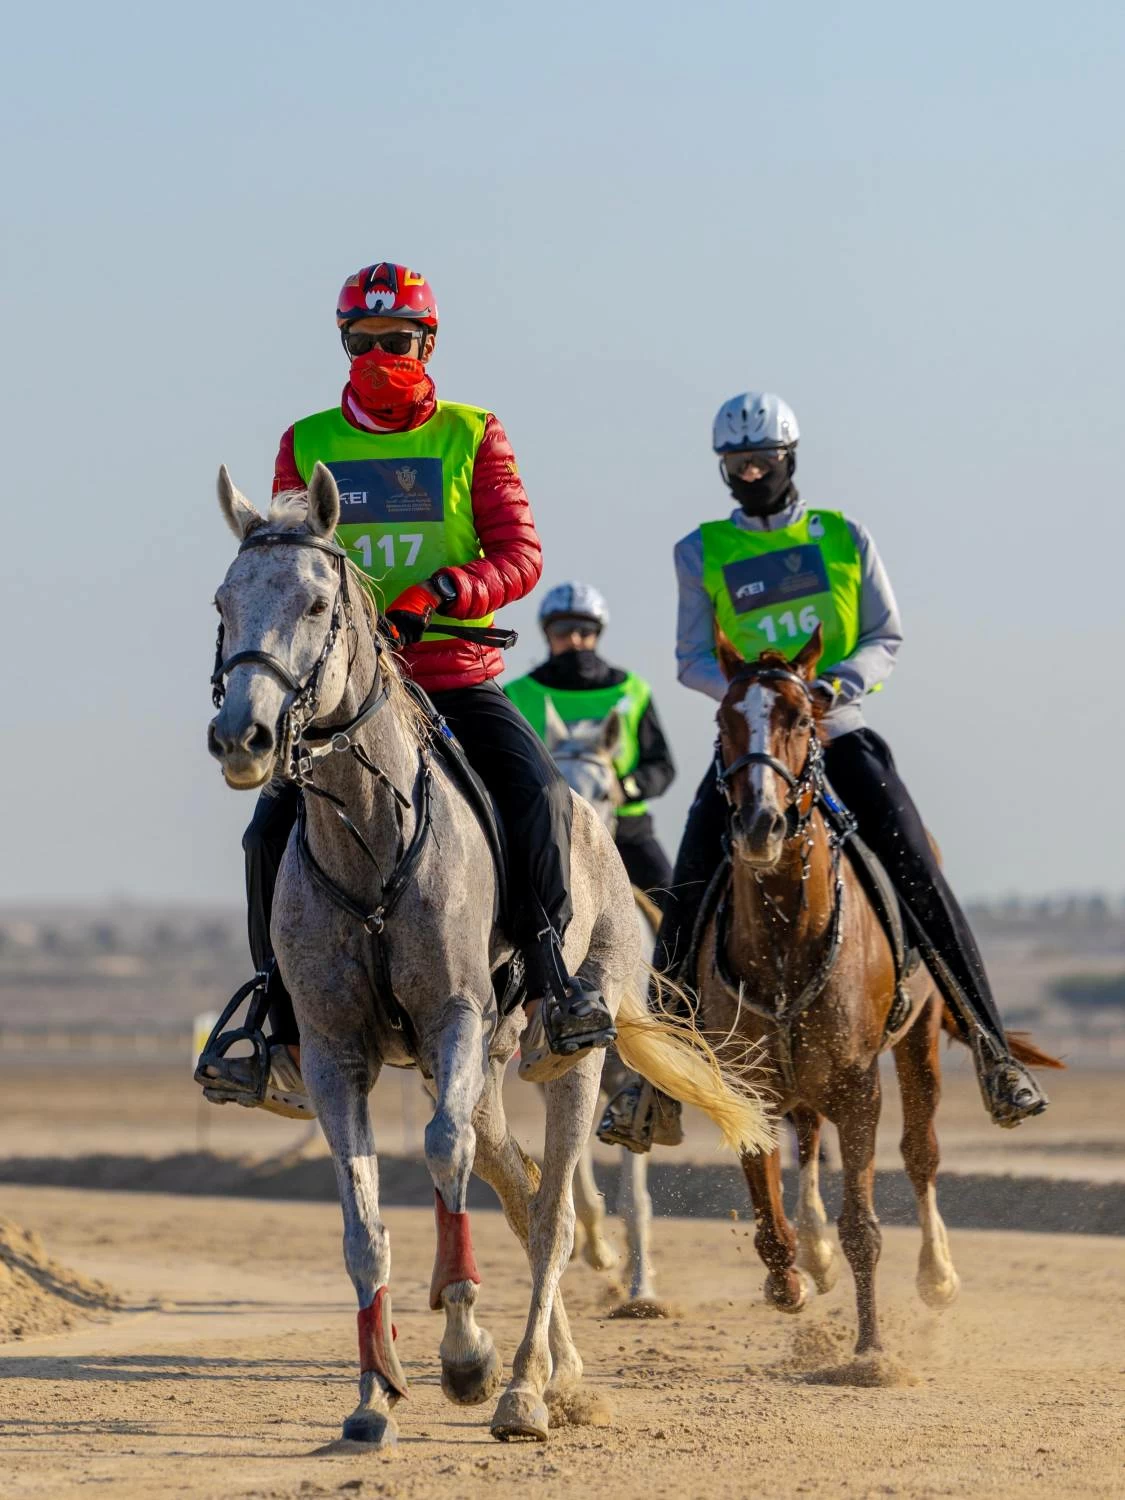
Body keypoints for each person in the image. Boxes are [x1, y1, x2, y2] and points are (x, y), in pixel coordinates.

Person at [200, 261, 615, 1118]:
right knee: (264, 831)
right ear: (344, 343)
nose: (379, 353)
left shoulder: (473, 433)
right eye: (362, 341)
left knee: (537, 793)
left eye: (395, 341)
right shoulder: (305, 440)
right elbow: (284, 562)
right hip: (342, 699)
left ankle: (550, 987)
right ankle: (275, 1030)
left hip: (449, 675)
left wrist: (451, 592)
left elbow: (520, 555)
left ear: (427, 342)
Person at [602, 391, 1048, 1148]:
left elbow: (884, 634)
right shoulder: (697, 550)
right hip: (749, 747)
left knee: (917, 867)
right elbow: (690, 660)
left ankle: (994, 1051)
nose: (750, 473)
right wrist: (753, 696)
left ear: (789, 458)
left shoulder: (845, 537)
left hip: (836, 728)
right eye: (736, 463)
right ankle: (655, 1085)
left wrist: (830, 687)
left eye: (763, 460)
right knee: (683, 891)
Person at [504, 581, 676, 904]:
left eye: (585, 631)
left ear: (598, 633)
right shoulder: (517, 694)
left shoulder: (632, 690)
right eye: (563, 631)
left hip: (626, 828)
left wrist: (626, 788)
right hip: (547, 827)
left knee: (679, 905)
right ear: (547, 634)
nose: (574, 640)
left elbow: (662, 765)